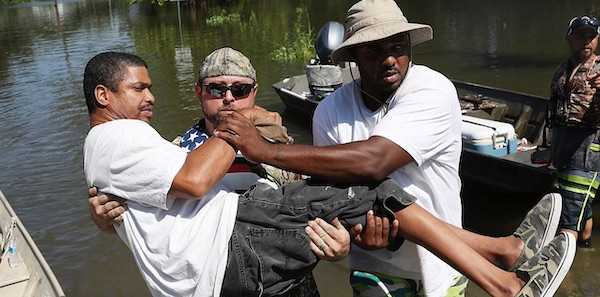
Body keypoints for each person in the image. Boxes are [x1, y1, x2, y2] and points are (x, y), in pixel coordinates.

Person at [84, 51, 572, 297]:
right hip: (224, 276)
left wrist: (346, 248)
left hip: (297, 281)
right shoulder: (172, 151)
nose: (229, 99)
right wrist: (107, 217)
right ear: (198, 93)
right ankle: (496, 254)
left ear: (255, 92)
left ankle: (496, 250)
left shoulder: (281, 147)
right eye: (217, 89)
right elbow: (154, 219)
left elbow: (336, 205)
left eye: (241, 88)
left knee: (373, 198)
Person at [212, 1, 574, 297]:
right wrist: (359, 238)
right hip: (376, 269)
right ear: (352, 56)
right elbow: (337, 195)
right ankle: (499, 251)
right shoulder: (330, 111)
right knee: (368, 197)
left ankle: (501, 260)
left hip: (445, 267)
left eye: (398, 47)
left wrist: (264, 150)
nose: (389, 59)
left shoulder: (432, 90)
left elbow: (374, 161)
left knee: (377, 186)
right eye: (374, 50)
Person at [550, 15, 600, 248]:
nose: (587, 41)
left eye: (591, 36)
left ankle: (562, 268)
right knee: (580, 205)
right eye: (581, 36)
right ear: (570, 38)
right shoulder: (563, 68)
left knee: (571, 211)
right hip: (563, 145)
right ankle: (585, 249)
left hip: (588, 147)